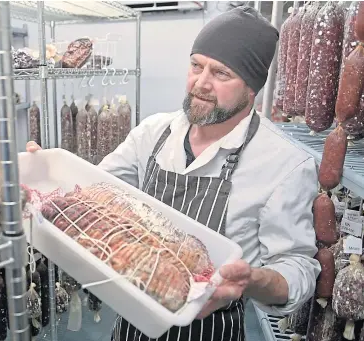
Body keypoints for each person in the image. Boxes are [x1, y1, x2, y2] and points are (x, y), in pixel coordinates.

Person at [27, 6, 320, 341]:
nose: (201, 83)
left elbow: (298, 269)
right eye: (196, 65)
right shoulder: (154, 133)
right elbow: (93, 188)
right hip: (135, 322)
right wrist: (48, 173)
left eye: (221, 74)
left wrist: (253, 281)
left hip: (212, 329)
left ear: (252, 89)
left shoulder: (284, 163)